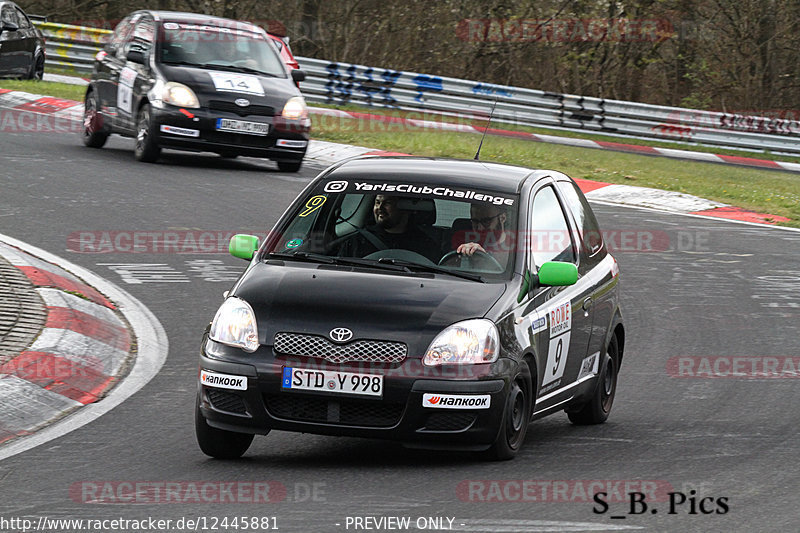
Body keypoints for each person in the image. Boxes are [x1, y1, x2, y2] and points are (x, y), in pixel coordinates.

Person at [336, 195, 443, 263]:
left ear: (405, 208)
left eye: (388, 203)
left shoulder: (425, 245)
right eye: (377, 202)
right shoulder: (357, 242)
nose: (380, 208)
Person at [455, 203, 512, 268]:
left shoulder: (514, 254)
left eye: (486, 221)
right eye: (475, 221)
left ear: (502, 218)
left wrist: (484, 258)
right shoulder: (461, 242)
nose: (480, 228)